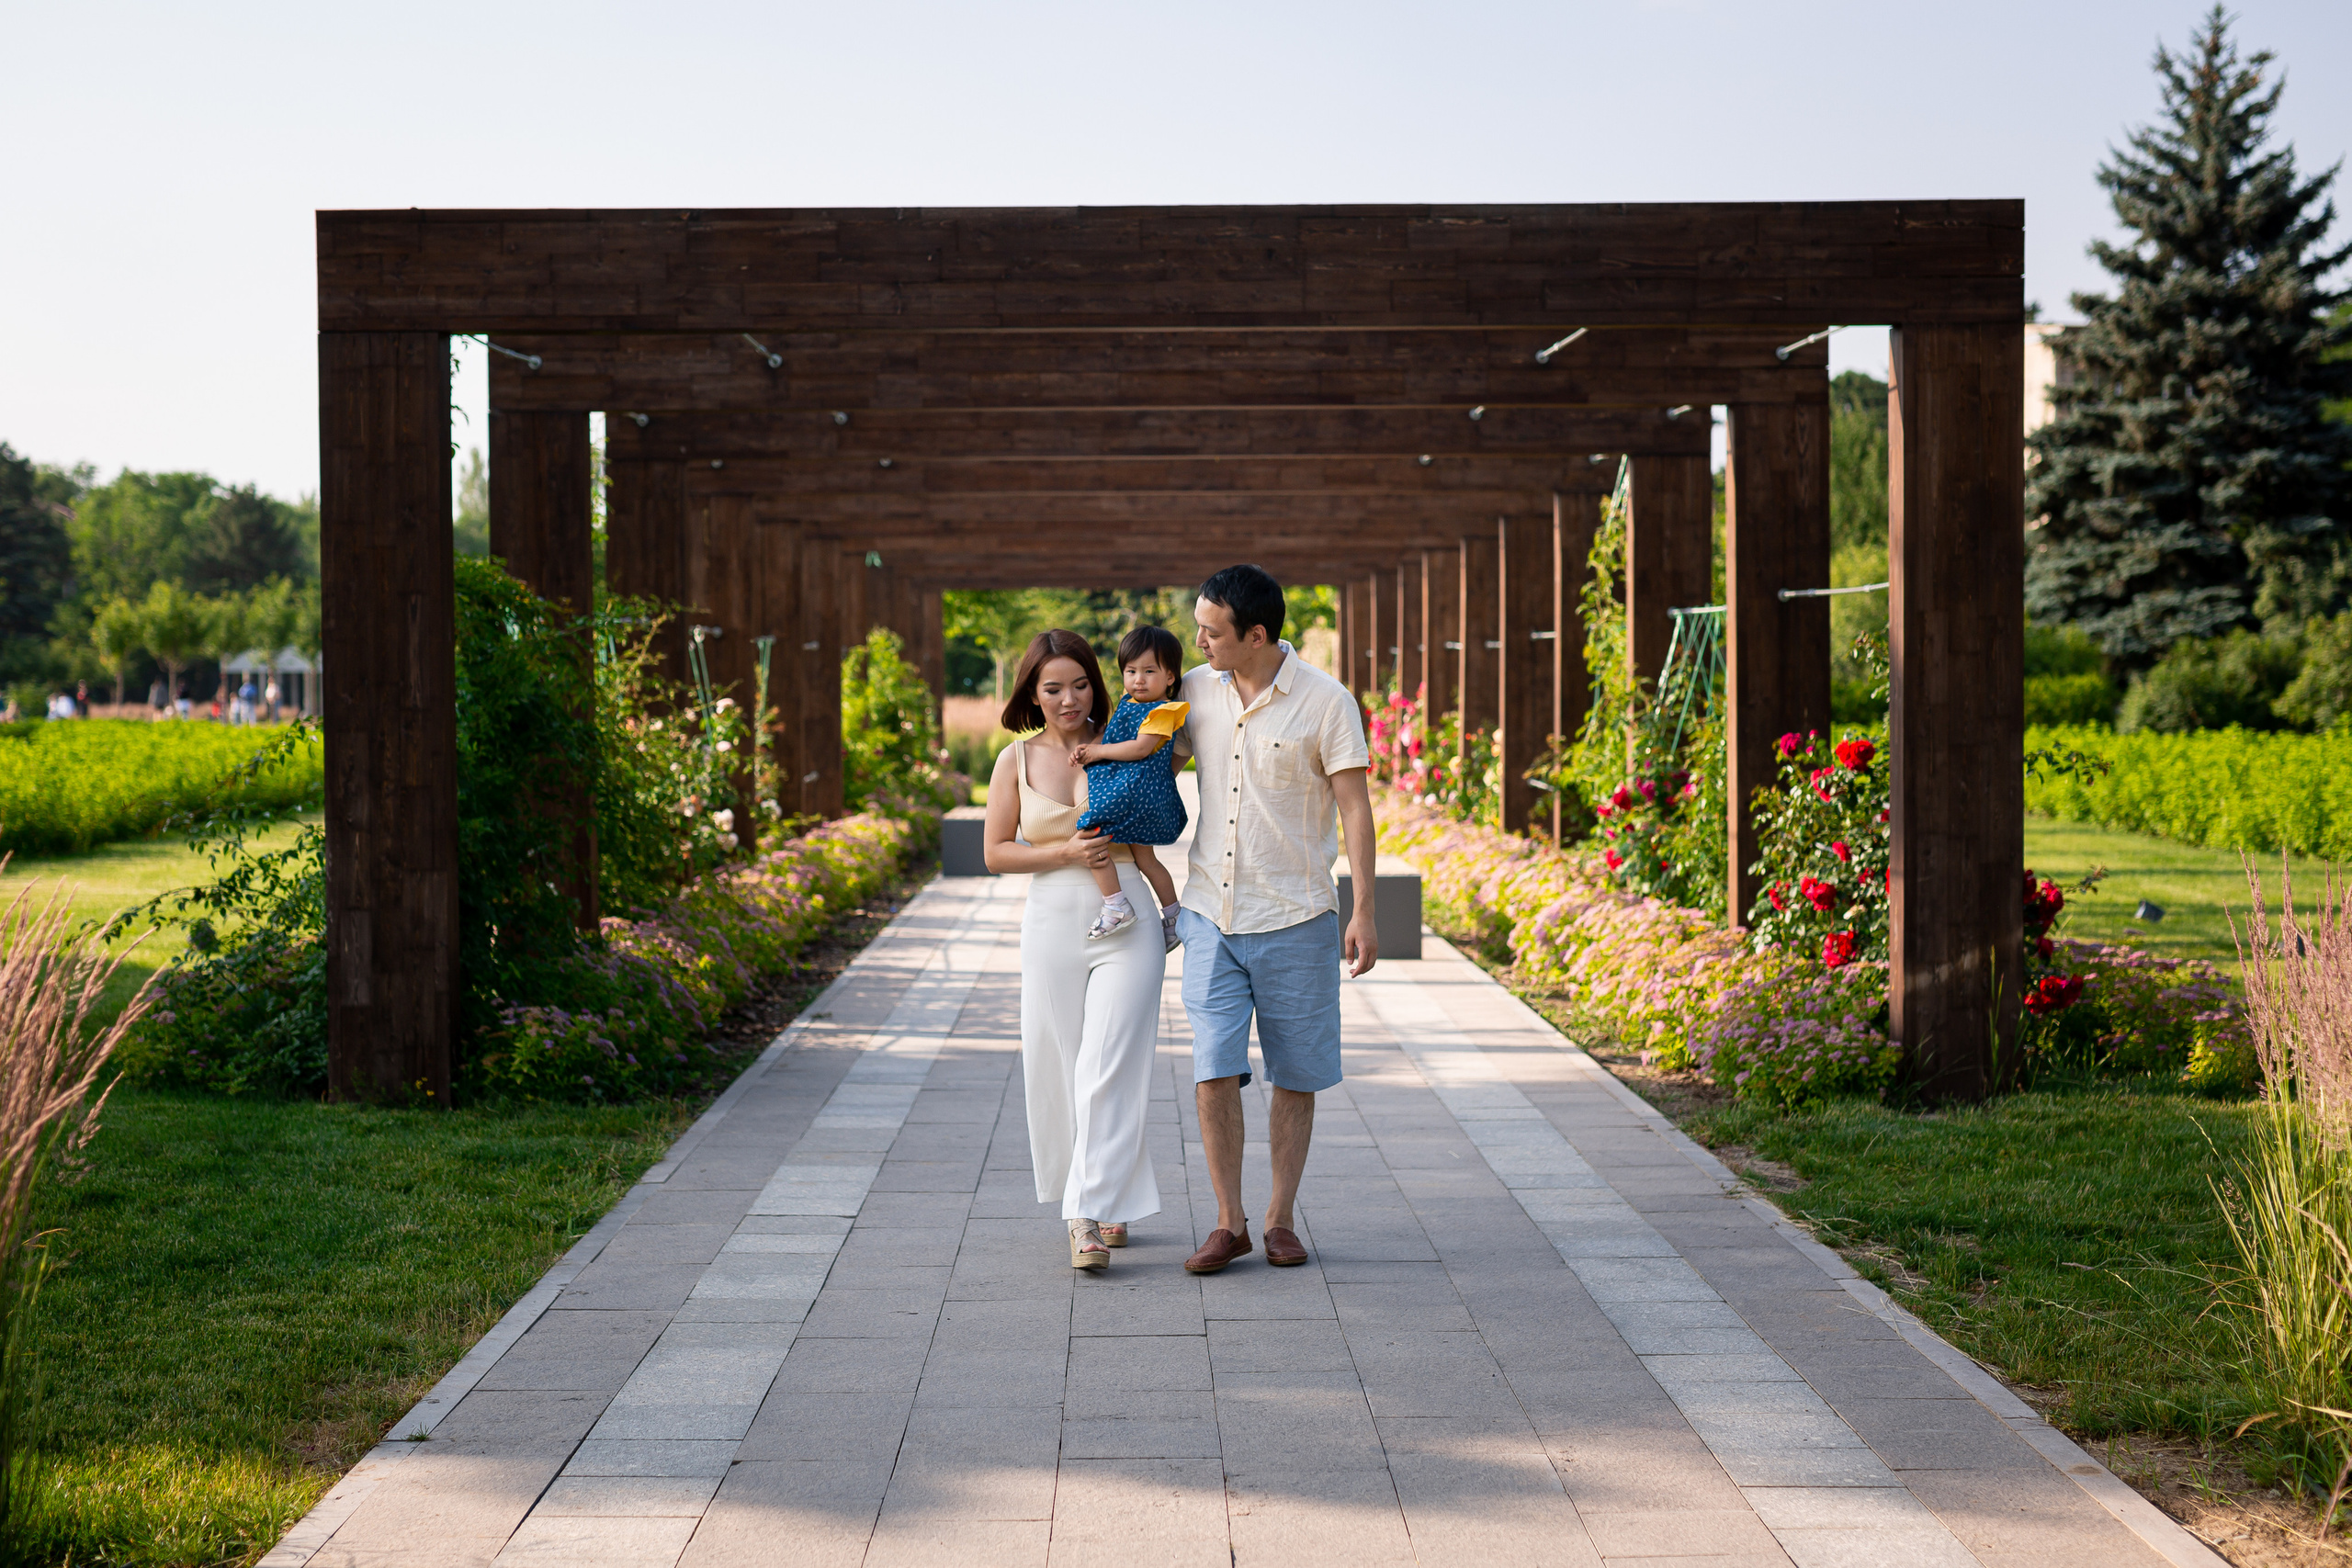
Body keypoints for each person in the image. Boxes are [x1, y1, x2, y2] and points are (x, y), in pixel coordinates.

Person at [1174, 564, 1379, 1276]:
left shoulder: (1327, 702)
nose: (1197, 639)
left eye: (1211, 630)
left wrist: (1363, 911)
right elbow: (1147, 759)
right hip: (1209, 914)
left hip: (1297, 915)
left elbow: (1355, 807)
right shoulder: (1194, 691)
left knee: (1295, 1075)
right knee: (1212, 1068)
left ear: (1255, 635)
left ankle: (1279, 1219)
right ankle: (1228, 1222)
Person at [981, 630, 1168, 1271]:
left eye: (1080, 683)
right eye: (1053, 687)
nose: (1069, 698)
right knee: (1065, 1065)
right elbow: (996, 850)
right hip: (1053, 922)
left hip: (1130, 917)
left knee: (1109, 1061)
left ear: (1098, 681)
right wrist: (1063, 850)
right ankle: (1107, 1190)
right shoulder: (1014, 760)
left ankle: (1083, 1213)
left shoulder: (1130, 737)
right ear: (1032, 692)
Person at [1068, 626, 1189, 946]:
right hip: (1131, 790)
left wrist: (1097, 752)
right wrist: (1091, 745)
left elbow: (1139, 748)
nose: (1138, 679)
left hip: (1136, 792)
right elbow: (1111, 735)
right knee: (1145, 860)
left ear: (1170, 677)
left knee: (1090, 834)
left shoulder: (1165, 711)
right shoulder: (1128, 702)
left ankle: (1115, 904)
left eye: (1149, 671)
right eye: (1130, 671)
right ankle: (1174, 917)